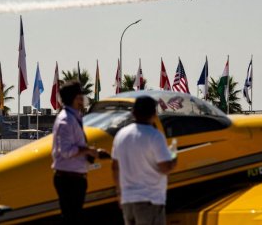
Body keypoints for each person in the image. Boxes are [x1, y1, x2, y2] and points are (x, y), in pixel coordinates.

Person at [111, 96, 177, 225]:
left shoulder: (121, 135)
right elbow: (165, 167)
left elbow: (114, 167)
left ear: (133, 113)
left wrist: (119, 193)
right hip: (149, 200)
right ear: (153, 114)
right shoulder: (155, 136)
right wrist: (173, 156)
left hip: (127, 200)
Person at [51, 80, 107, 224]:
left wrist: (90, 152)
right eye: (80, 96)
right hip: (69, 179)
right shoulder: (66, 120)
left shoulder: (74, 117)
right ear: (74, 98)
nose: (82, 99)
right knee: (72, 218)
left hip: (74, 177)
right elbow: (65, 151)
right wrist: (88, 150)